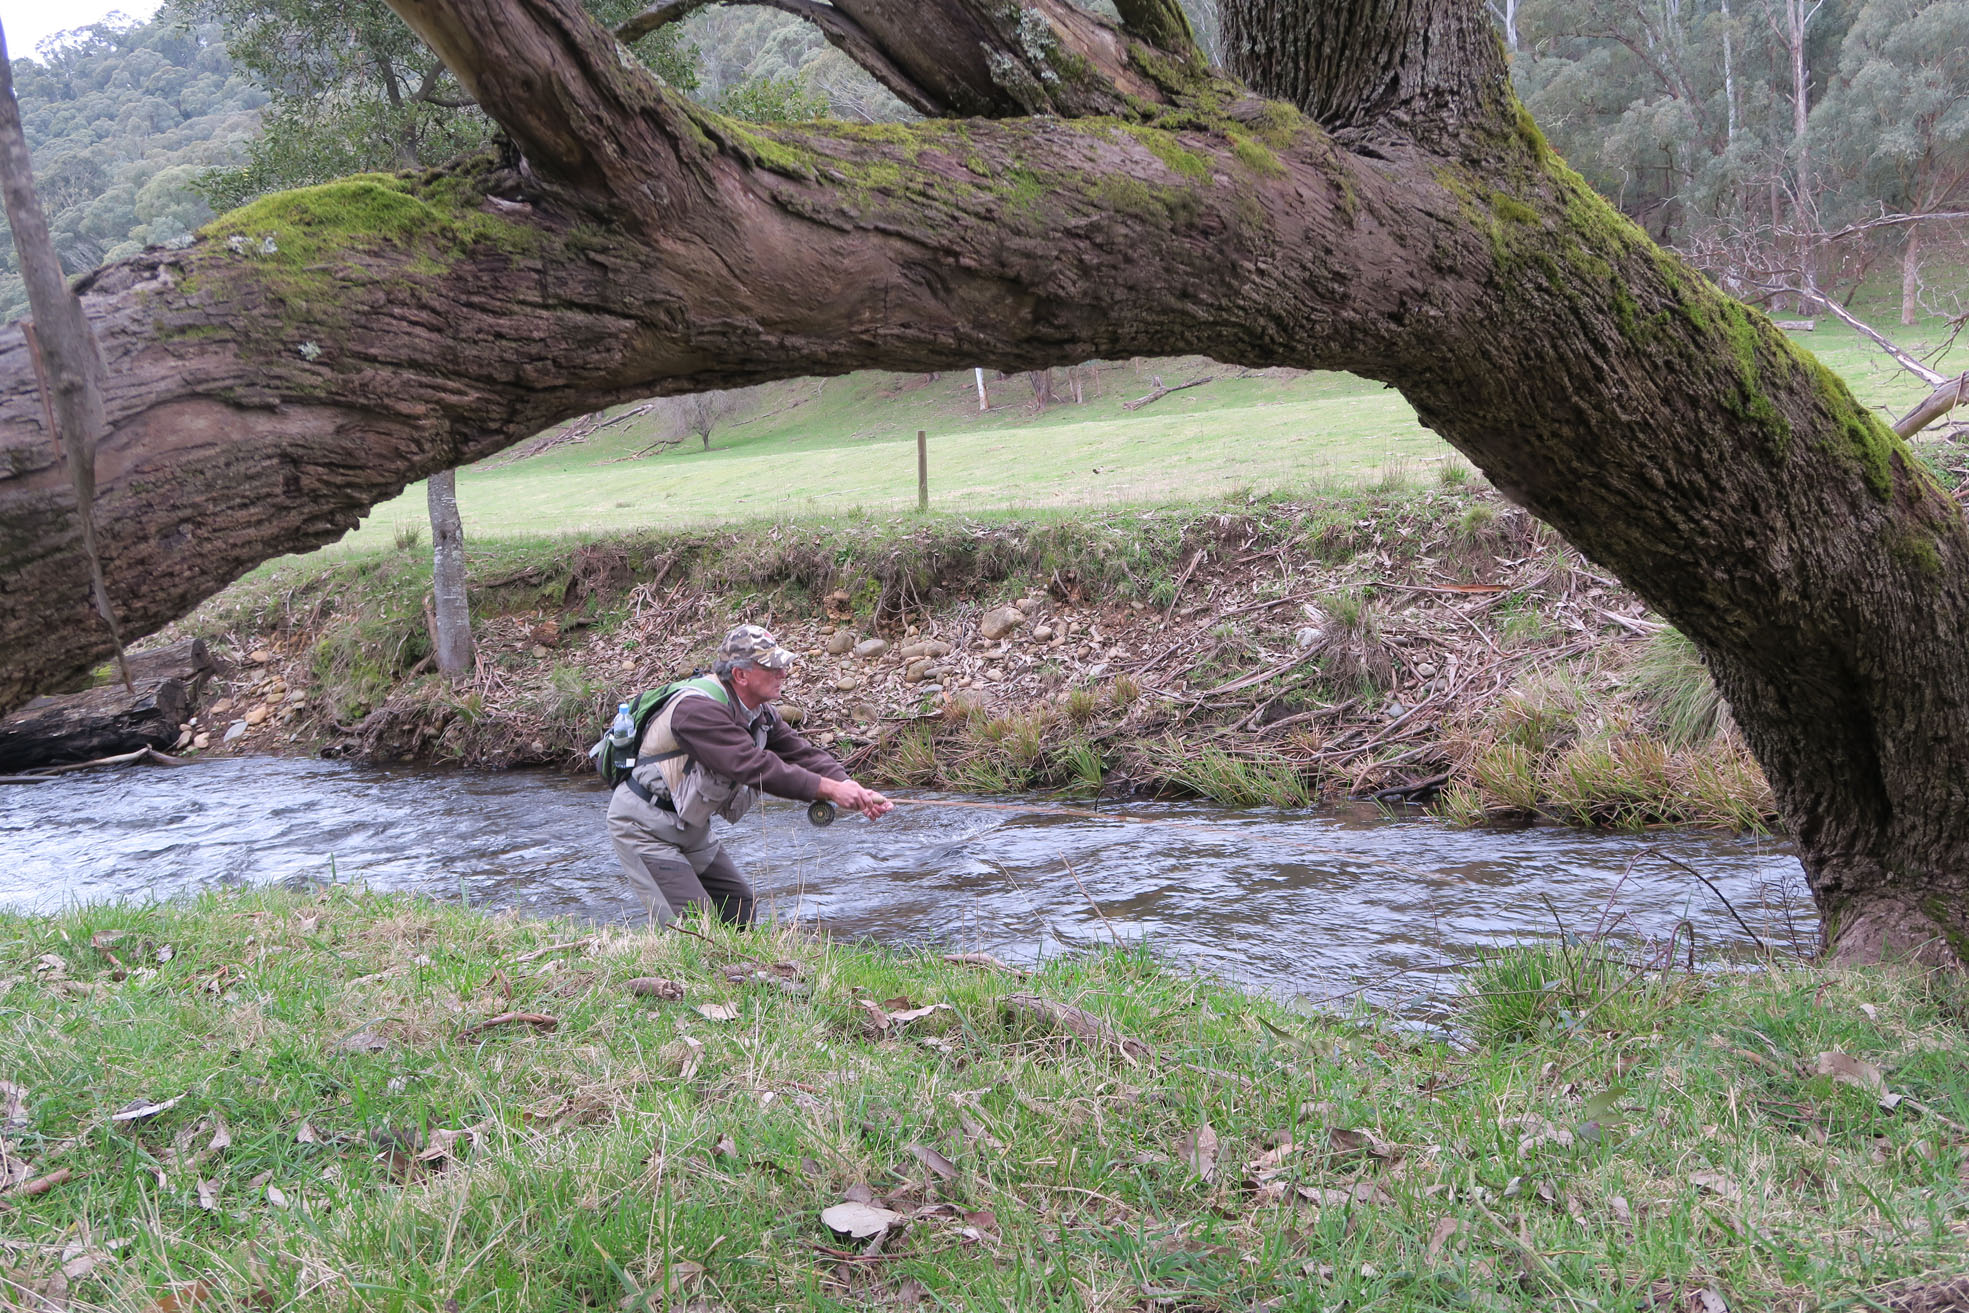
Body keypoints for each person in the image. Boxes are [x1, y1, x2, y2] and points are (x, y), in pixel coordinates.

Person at [606, 623, 891, 925]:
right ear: (740, 675)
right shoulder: (696, 710)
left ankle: (732, 958)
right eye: (773, 668)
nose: (783, 673)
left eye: (782, 666)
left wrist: (849, 785)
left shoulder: (758, 711)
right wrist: (830, 791)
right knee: (694, 923)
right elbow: (753, 766)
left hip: (689, 825)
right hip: (643, 827)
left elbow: (800, 753)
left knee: (738, 905)